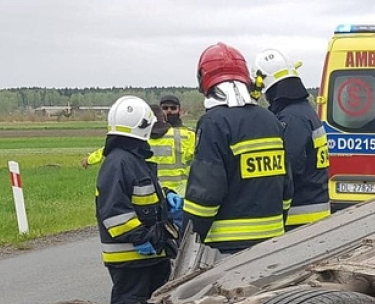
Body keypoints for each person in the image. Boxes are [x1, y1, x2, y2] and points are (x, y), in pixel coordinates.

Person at [183, 42, 291, 254]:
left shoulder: (213, 123)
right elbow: (286, 186)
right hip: (273, 242)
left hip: (226, 247)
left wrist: (188, 242)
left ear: (204, 80)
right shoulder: (270, 120)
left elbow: (206, 194)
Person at [94, 95, 180, 304]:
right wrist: (144, 238)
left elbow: (144, 198)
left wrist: (167, 199)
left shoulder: (133, 160)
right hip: (131, 258)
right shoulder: (118, 163)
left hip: (147, 257)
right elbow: (114, 214)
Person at [253, 49, 329, 227]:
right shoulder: (303, 111)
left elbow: (289, 166)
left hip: (300, 214)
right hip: (313, 209)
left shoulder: (292, 118)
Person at [82, 99, 196, 197]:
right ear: (164, 118)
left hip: (149, 194)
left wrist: (89, 159)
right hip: (179, 196)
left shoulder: (138, 139)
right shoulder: (185, 136)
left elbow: (108, 150)